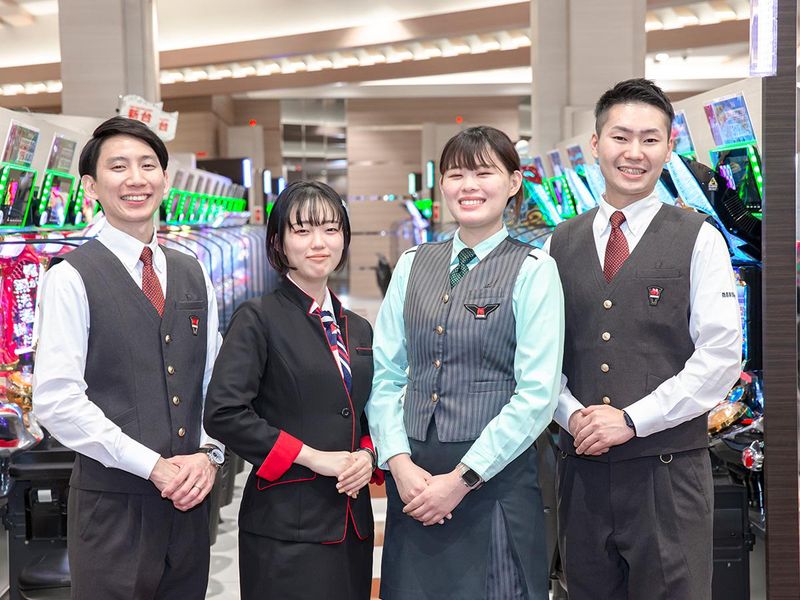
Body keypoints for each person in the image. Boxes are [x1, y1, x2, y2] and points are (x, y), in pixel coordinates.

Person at [545, 78, 742, 600]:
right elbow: (539, 356)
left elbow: (721, 355)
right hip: (580, 472)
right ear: (595, 144)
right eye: (620, 137)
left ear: (669, 147)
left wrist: (632, 420)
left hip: (669, 476)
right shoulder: (557, 244)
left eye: (650, 139)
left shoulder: (699, 238)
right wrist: (572, 415)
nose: (634, 152)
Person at [366, 126, 564, 600]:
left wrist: (462, 479)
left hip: (494, 479)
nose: (468, 186)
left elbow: (537, 394)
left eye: (484, 173)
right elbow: (385, 373)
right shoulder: (413, 263)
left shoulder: (534, 269)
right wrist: (398, 463)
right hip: (413, 481)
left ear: (513, 182)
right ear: (442, 185)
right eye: (456, 174)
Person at [32, 116, 224, 599]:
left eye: (147, 165)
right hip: (112, 509)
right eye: (118, 167)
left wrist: (209, 454)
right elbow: (55, 399)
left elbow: (214, 380)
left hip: (189, 504)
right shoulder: (70, 278)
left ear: (165, 179)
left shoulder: (192, 270)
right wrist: (152, 466)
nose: (136, 179)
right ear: (91, 186)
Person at [203, 180, 381, 600]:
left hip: (352, 523)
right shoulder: (258, 318)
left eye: (331, 229)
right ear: (278, 242)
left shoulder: (357, 327)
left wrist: (368, 454)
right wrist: (313, 457)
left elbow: (367, 411)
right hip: (286, 527)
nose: (319, 242)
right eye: (303, 230)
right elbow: (224, 413)